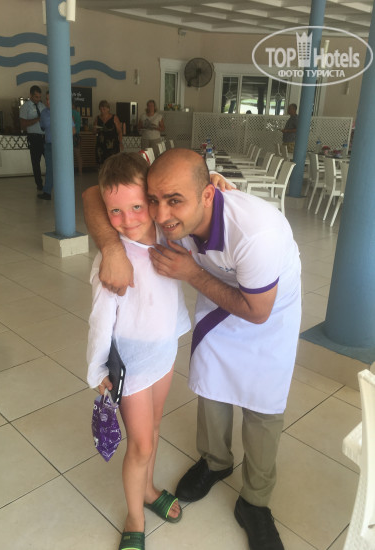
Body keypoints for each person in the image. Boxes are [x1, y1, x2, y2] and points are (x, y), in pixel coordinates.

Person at [82, 148, 301, 550]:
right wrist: (112, 249)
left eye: (174, 201)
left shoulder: (256, 232)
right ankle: (214, 463)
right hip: (200, 316)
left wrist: (192, 273)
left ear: (207, 196)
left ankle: (255, 502)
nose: (163, 215)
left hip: (266, 314)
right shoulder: (161, 223)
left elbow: (257, 311)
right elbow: (97, 193)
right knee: (211, 387)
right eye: (155, 200)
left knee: (262, 404)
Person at [86, 152, 190, 550]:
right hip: (130, 365)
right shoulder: (112, 259)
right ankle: (134, 516)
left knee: (156, 427)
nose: (127, 219)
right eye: (115, 211)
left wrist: (218, 181)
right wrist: (98, 369)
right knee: (141, 444)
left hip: (164, 352)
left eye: (135, 207)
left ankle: (148, 490)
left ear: (151, 201)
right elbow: (100, 320)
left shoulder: (166, 236)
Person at [38, 91, 75, 201]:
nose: (48, 101)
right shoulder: (44, 113)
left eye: (50, 99)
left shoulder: (64, 112)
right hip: (49, 145)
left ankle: (64, 193)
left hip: (62, 146)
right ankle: (47, 192)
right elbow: (43, 127)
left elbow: (73, 130)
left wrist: (62, 138)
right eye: (47, 99)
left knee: (63, 169)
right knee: (50, 168)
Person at [20, 85, 46, 191]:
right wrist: (37, 119)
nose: (38, 99)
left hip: (44, 137)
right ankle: (39, 184)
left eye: (39, 97)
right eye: (36, 97)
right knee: (36, 162)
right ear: (31, 95)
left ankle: (50, 183)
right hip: (34, 137)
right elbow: (23, 125)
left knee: (49, 160)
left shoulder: (42, 106)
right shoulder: (25, 107)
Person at [93, 100, 123, 168]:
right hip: (101, 144)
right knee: (101, 163)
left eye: (104, 109)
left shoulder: (114, 118)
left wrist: (120, 142)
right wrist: (95, 129)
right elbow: (94, 132)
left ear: (108, 109)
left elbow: (119, 132)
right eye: (101, 109)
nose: (102, 111)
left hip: (112, 144)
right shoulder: (97, 118)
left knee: (113, 163)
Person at [72, 100, 82, 175]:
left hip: (72, 135)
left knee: (70, 155)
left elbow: (72, 122)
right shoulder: (78, 113)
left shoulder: (71, 112)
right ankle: (80, 172)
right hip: (78, 135)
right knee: (78, 154)